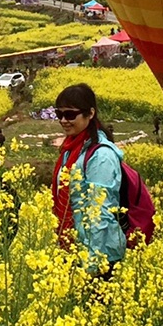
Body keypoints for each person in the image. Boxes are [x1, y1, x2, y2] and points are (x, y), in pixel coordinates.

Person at [51, 82, 126, 271]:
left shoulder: (101, 156)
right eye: (59, 114)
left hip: (98, 257)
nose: (63, 120)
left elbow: (100, 212)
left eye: (70, 114)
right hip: (74, 249)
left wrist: (92, 265)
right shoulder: (70, 149)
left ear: (90, 113)